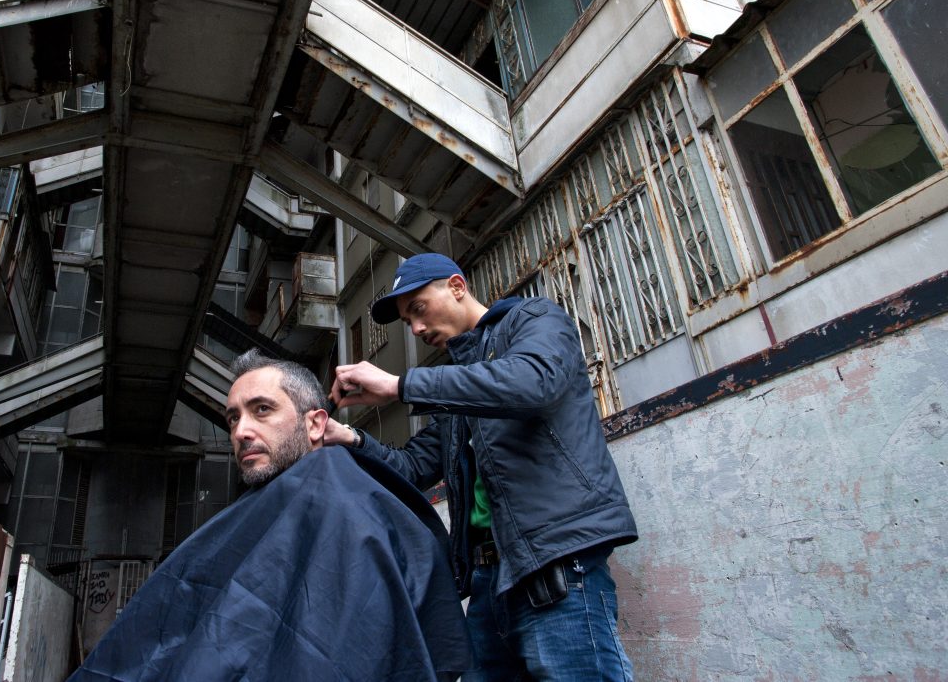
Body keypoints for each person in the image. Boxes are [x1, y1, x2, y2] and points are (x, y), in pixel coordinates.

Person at [69, 348, 471, 682]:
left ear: (316, 424)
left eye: (261, 410)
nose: (241, 431)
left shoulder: (343, 505)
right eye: (233, 418)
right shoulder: (261, 509)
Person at [327, 253, 638, 681]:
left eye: (418, 308)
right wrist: (351, 438)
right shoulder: (457, 383)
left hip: (555, 564)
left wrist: (401, 386)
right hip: (488, 580)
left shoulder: (533, 318)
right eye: (407, 321)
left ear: (457, 287)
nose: (416, 329)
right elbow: (413, 466)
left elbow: (534, 383)